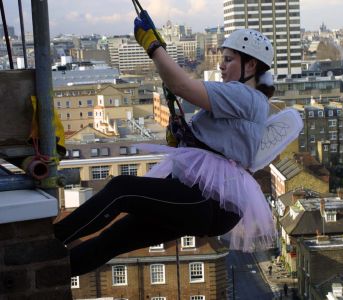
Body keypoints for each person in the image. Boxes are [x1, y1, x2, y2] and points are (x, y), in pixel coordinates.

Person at [54, 11, 298, 276]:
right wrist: (183, 137)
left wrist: (154, 46)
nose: (221, 66)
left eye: (228, 60)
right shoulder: (246, 101)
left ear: (250, 66)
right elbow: (219, 143)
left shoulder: (244, 95)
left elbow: (181, 85)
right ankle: (48, 274)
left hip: (208, 200)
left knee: (121, 189)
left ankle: (49, 242)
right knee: (115, 239)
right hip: (207, 200)